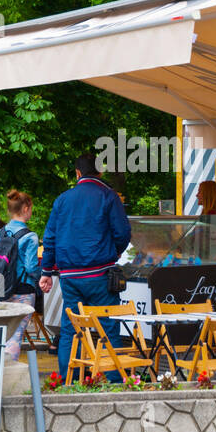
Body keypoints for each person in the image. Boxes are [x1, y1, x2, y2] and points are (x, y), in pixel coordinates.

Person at [39, 154, 132, 382]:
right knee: (107, 328)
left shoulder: (62, 200)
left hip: (70, 277)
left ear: (77, 173)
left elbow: (49, 237)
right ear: (100, 172)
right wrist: (115, 251)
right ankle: (112, 380)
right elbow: (123, 233)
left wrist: (46, 271)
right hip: (101, 274)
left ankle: (68, 378)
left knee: (71, 329)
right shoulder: (109, 196)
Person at [0, 190, 40, 361]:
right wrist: (39, 278)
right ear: (26, 208)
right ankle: (9, 374)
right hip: (23, 290)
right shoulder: (30, 237)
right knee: (16, 334)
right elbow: (31, 266)